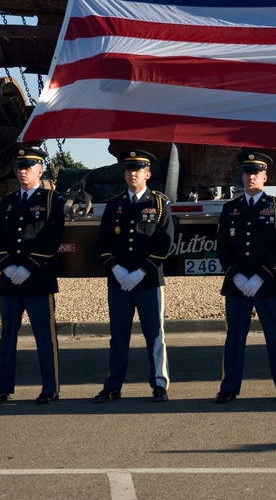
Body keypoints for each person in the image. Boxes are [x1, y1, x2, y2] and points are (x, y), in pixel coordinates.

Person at [0, 146, 65, 405]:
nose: (22, 172)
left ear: (40, 170)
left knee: (44, 336)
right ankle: (2, 387)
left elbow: (52, 238)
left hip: (38, 279)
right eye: (19, 167)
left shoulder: (52, 200)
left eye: (28, 167)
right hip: (10, 280)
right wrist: (7, 266)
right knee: (7, 336)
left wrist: (27, 267)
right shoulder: (7, 202)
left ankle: (50, 388)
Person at [213, 151, 276, 404]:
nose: (251, 177)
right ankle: (228, 388)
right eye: (247, 173)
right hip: (237, 284)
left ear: (265, 178)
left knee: (275, 335)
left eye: (256, 173)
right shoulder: (230, 208)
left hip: (268, 283)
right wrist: (236, 276)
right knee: (235, 338)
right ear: (241, 177)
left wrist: (260, 276)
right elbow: (222, 246)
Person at [93, 150, 174, 403]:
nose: (133, 173)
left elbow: (165, 243)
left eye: (138, 169)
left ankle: (159, 384)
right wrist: (116, 269)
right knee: (118, 336)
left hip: (147, 281)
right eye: (129, 169)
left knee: (155, 335)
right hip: (118, 282)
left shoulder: (159, 204)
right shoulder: (115, 204)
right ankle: (113, 385)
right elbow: (103, 243)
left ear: (148, 174)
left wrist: (141, 272)